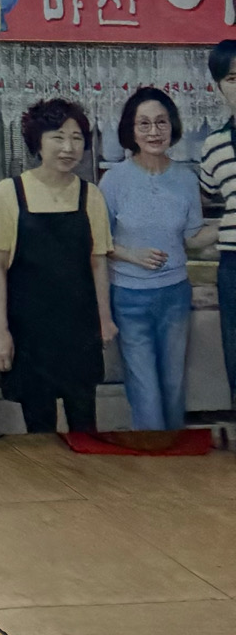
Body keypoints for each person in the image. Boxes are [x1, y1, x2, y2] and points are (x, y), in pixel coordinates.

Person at [0, 96, 113, 440]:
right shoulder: (9, 193)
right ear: (38, 141)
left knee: (85, 425)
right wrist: (0, 333)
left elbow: (98, 264)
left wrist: (105, 319)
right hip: (29, 334)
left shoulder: (90, 195)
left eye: (77, 138)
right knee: (40, 429)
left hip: (79, 332)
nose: (68, 147)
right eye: (58, 137)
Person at [102, 85, 210, 430]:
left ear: (172, 127)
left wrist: (229, 223)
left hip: (175, 296)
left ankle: (174, 468)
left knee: (173, 386)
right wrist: (131, 254)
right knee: (145, 390)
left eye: (161, 123)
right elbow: (96, 242)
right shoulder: (114, 181)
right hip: (129, 298)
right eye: (144, 124)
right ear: (131, 131)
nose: (154, 132)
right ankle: (152, 469)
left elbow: (192, 239)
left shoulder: (186, 179)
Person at [196, 41, 236, 412]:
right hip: (232, 266)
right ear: (219, 86)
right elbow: (215, 200)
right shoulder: (213, 146)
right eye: (233, 78)